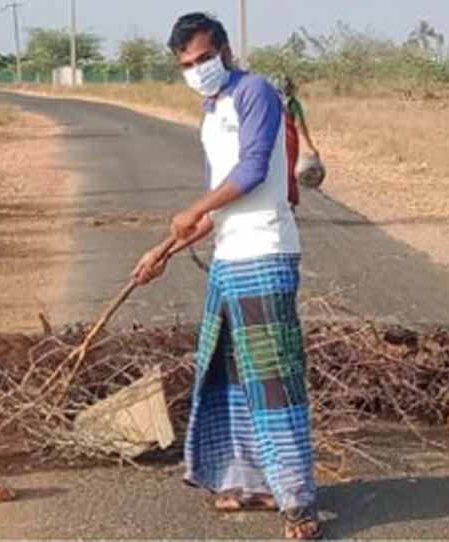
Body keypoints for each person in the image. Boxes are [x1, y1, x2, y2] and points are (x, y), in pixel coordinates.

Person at [132, 12, 321, 540]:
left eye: (203, 59)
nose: (196, 70)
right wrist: (165, 249)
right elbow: (219, 208)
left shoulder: (254, 92)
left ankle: (299, 506)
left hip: (264, 252)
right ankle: (254, 483)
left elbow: (254, 169)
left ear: (224, 50)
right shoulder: (211, 113)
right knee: (229, 374)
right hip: (229, 257)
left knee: (273, 380)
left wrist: (191, 210)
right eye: (186, 65)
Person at [282, 76, 318, 209]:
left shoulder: (271, 101)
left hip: (273, 140)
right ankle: (289, 200)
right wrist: (311, 146)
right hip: (289, 140)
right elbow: (300, 125)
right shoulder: (293, 104)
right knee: (290, 169)